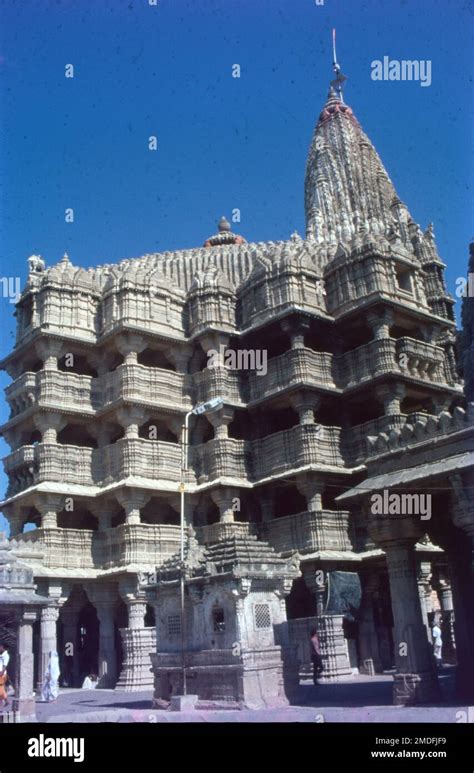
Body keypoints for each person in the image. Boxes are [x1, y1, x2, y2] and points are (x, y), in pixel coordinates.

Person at [0, 643, 10, 707]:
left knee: (0, 687)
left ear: (3, 648)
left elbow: (4, 665)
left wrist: (1, 673)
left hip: (2, 674)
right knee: (1, 687)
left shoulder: (6, 655)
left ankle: (6, 700)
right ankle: (5, 700)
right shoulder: (2, 655)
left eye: (0, 647)